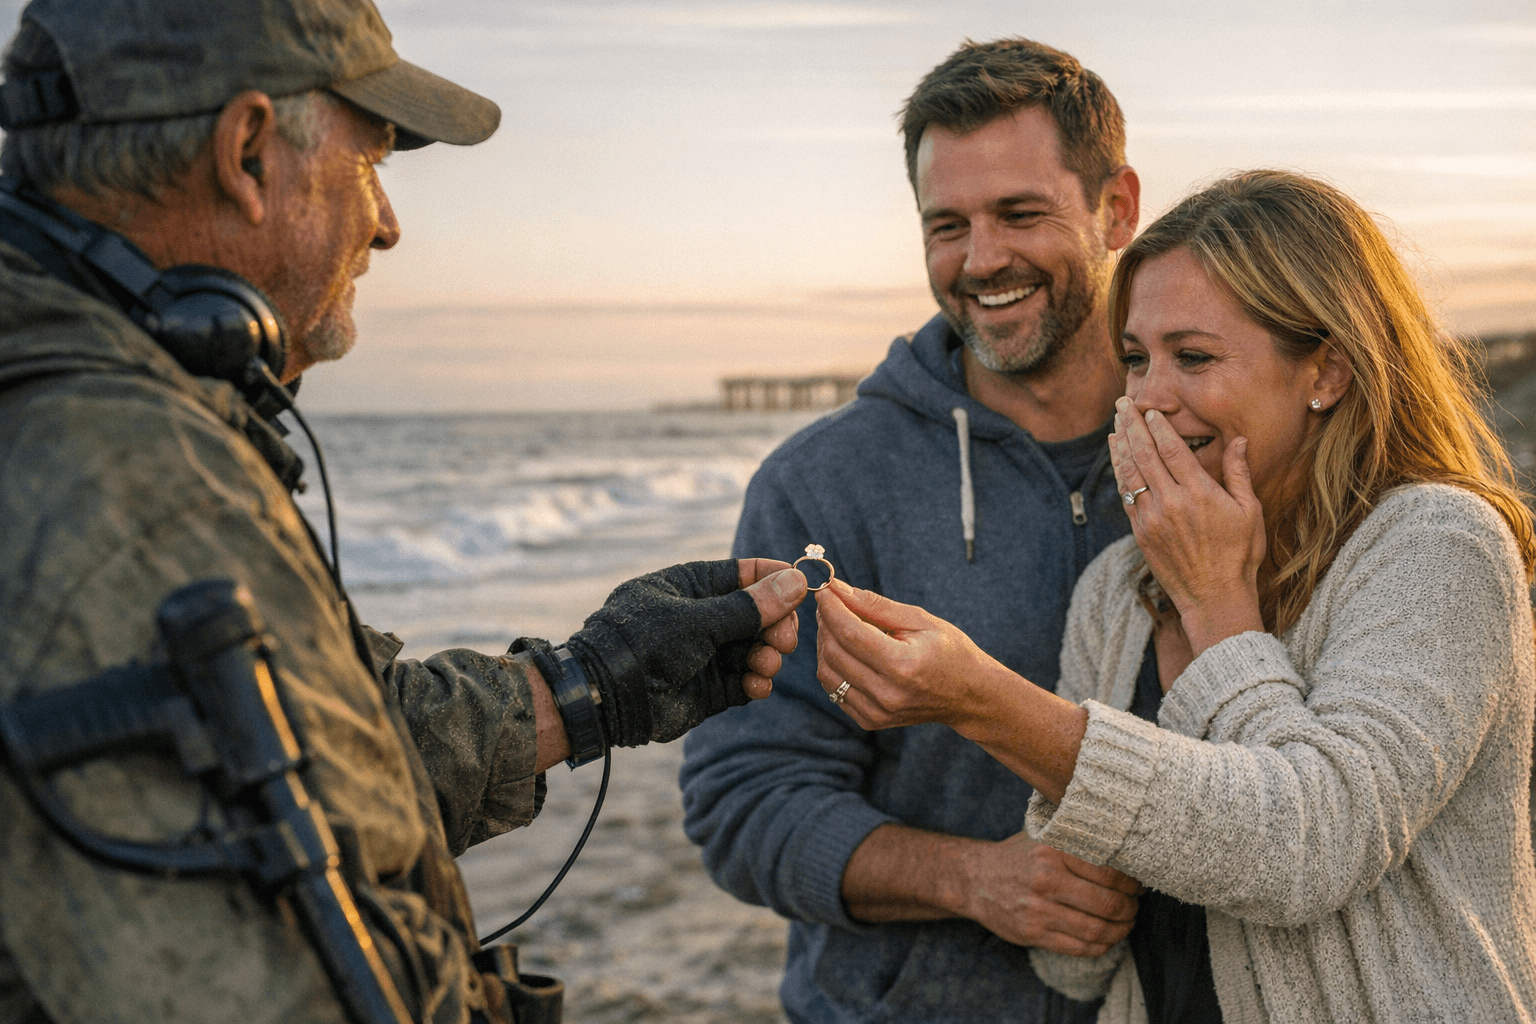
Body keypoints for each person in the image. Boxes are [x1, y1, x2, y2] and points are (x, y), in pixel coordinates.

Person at [0, 1, 808, 1021]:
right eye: (369, 160)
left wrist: (594, 682)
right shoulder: (120, 488)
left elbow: (311, 753)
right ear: (247, 152)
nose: (387, 221)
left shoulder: (98, 411)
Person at [814, 169, 1536, 1023]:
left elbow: (1311, 849)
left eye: (1192, 357)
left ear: (1329, 372)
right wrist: (1062, 886)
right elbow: (1074, 963)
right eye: (1136, 359)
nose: (1149, 396)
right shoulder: (1115, 594)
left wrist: (984, 701)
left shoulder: (1434, 547)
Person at [681, 38, 1145, 1024]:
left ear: (1117, 207)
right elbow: (743, 795)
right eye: (948, 224)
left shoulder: (1214, 445)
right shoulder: (821, 486)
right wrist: (976, 880)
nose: (982, 260)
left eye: (1021, 213)